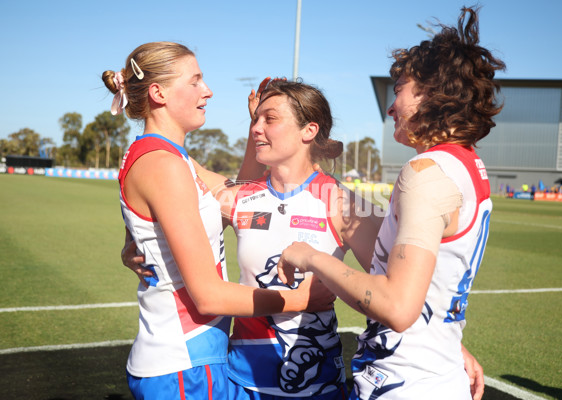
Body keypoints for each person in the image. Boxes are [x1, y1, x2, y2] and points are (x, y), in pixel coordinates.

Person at [123, 76, 484, 399]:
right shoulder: (239, 197)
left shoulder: (343, 204)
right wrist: (131, 244)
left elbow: (401, 289)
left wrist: (449, 343)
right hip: (241, 382)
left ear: (308, 131)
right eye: (255, 120)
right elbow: (159, 188)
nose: (256, 130)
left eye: (270, 120)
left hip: (316, 385)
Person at [277, 6, 502, 400]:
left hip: (406, 386)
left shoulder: (426, 171)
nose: (391, 105)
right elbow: (419, 279)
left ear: (432, 92)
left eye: (399, 90)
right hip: (434, 372)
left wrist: (311, 257)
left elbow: (397, 307)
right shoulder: (466, 164)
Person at [104, 42, 335, 400]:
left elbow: (239, 197)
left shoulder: (162, 157)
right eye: (195, 81)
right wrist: (300, 299)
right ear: (158, 92)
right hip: (183, 364)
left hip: (189, 359)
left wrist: (255, 130)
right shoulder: (164, 166)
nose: (207, 90)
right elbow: (209, 296)